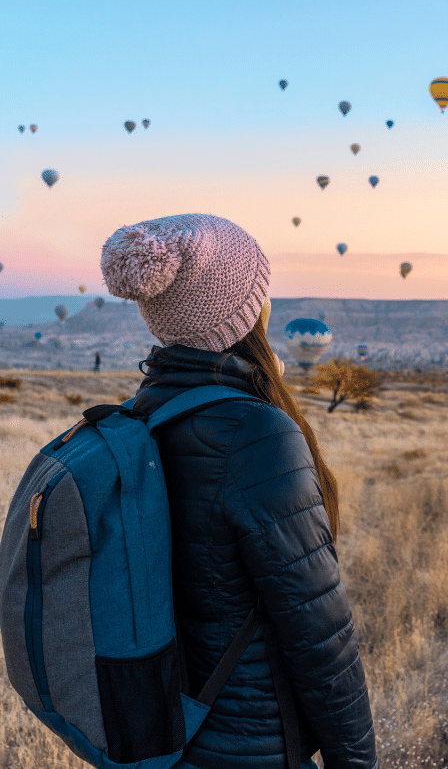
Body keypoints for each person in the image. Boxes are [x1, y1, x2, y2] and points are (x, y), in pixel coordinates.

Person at [100, 213, 377, 769]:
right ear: (248, 312)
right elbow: (318, 629)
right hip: (250, 742)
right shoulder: (255, 432)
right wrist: (356, 760)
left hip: (160, 733)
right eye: (261, 290)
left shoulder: (142, 415)